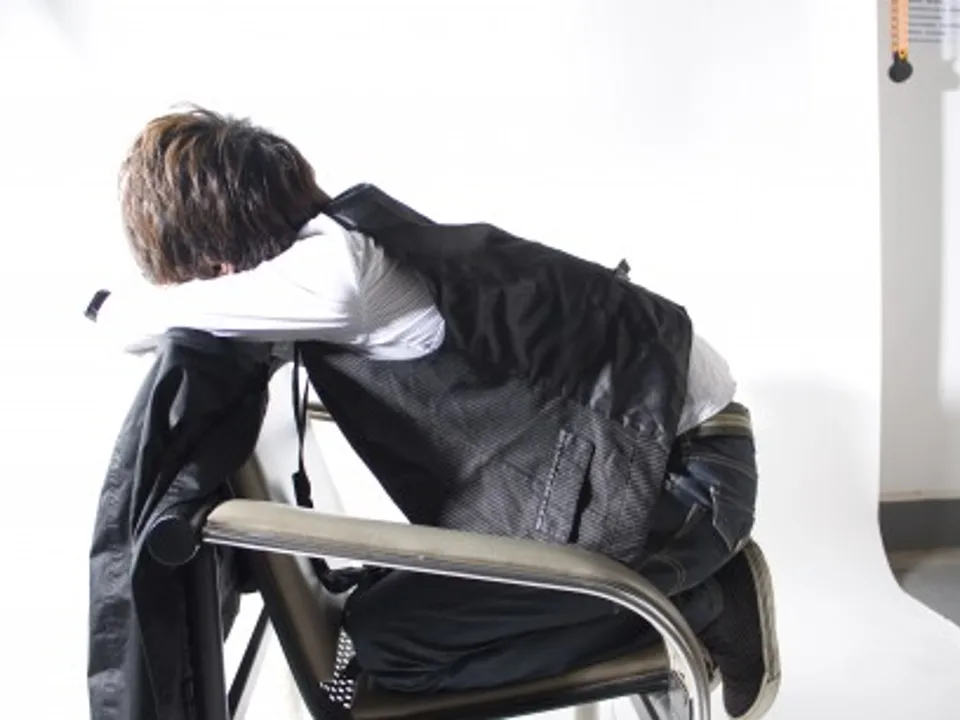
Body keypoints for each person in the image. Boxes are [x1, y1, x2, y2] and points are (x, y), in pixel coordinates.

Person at [95, 107, 781, 719]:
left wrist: (111, 305)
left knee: (392, 647)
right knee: (380, 614)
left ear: (217, 260)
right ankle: (680, 590)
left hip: (681, 485)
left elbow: (124, 323)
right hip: (645, 460)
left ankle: (700, 602)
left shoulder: (340, 272)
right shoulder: (345, 245)